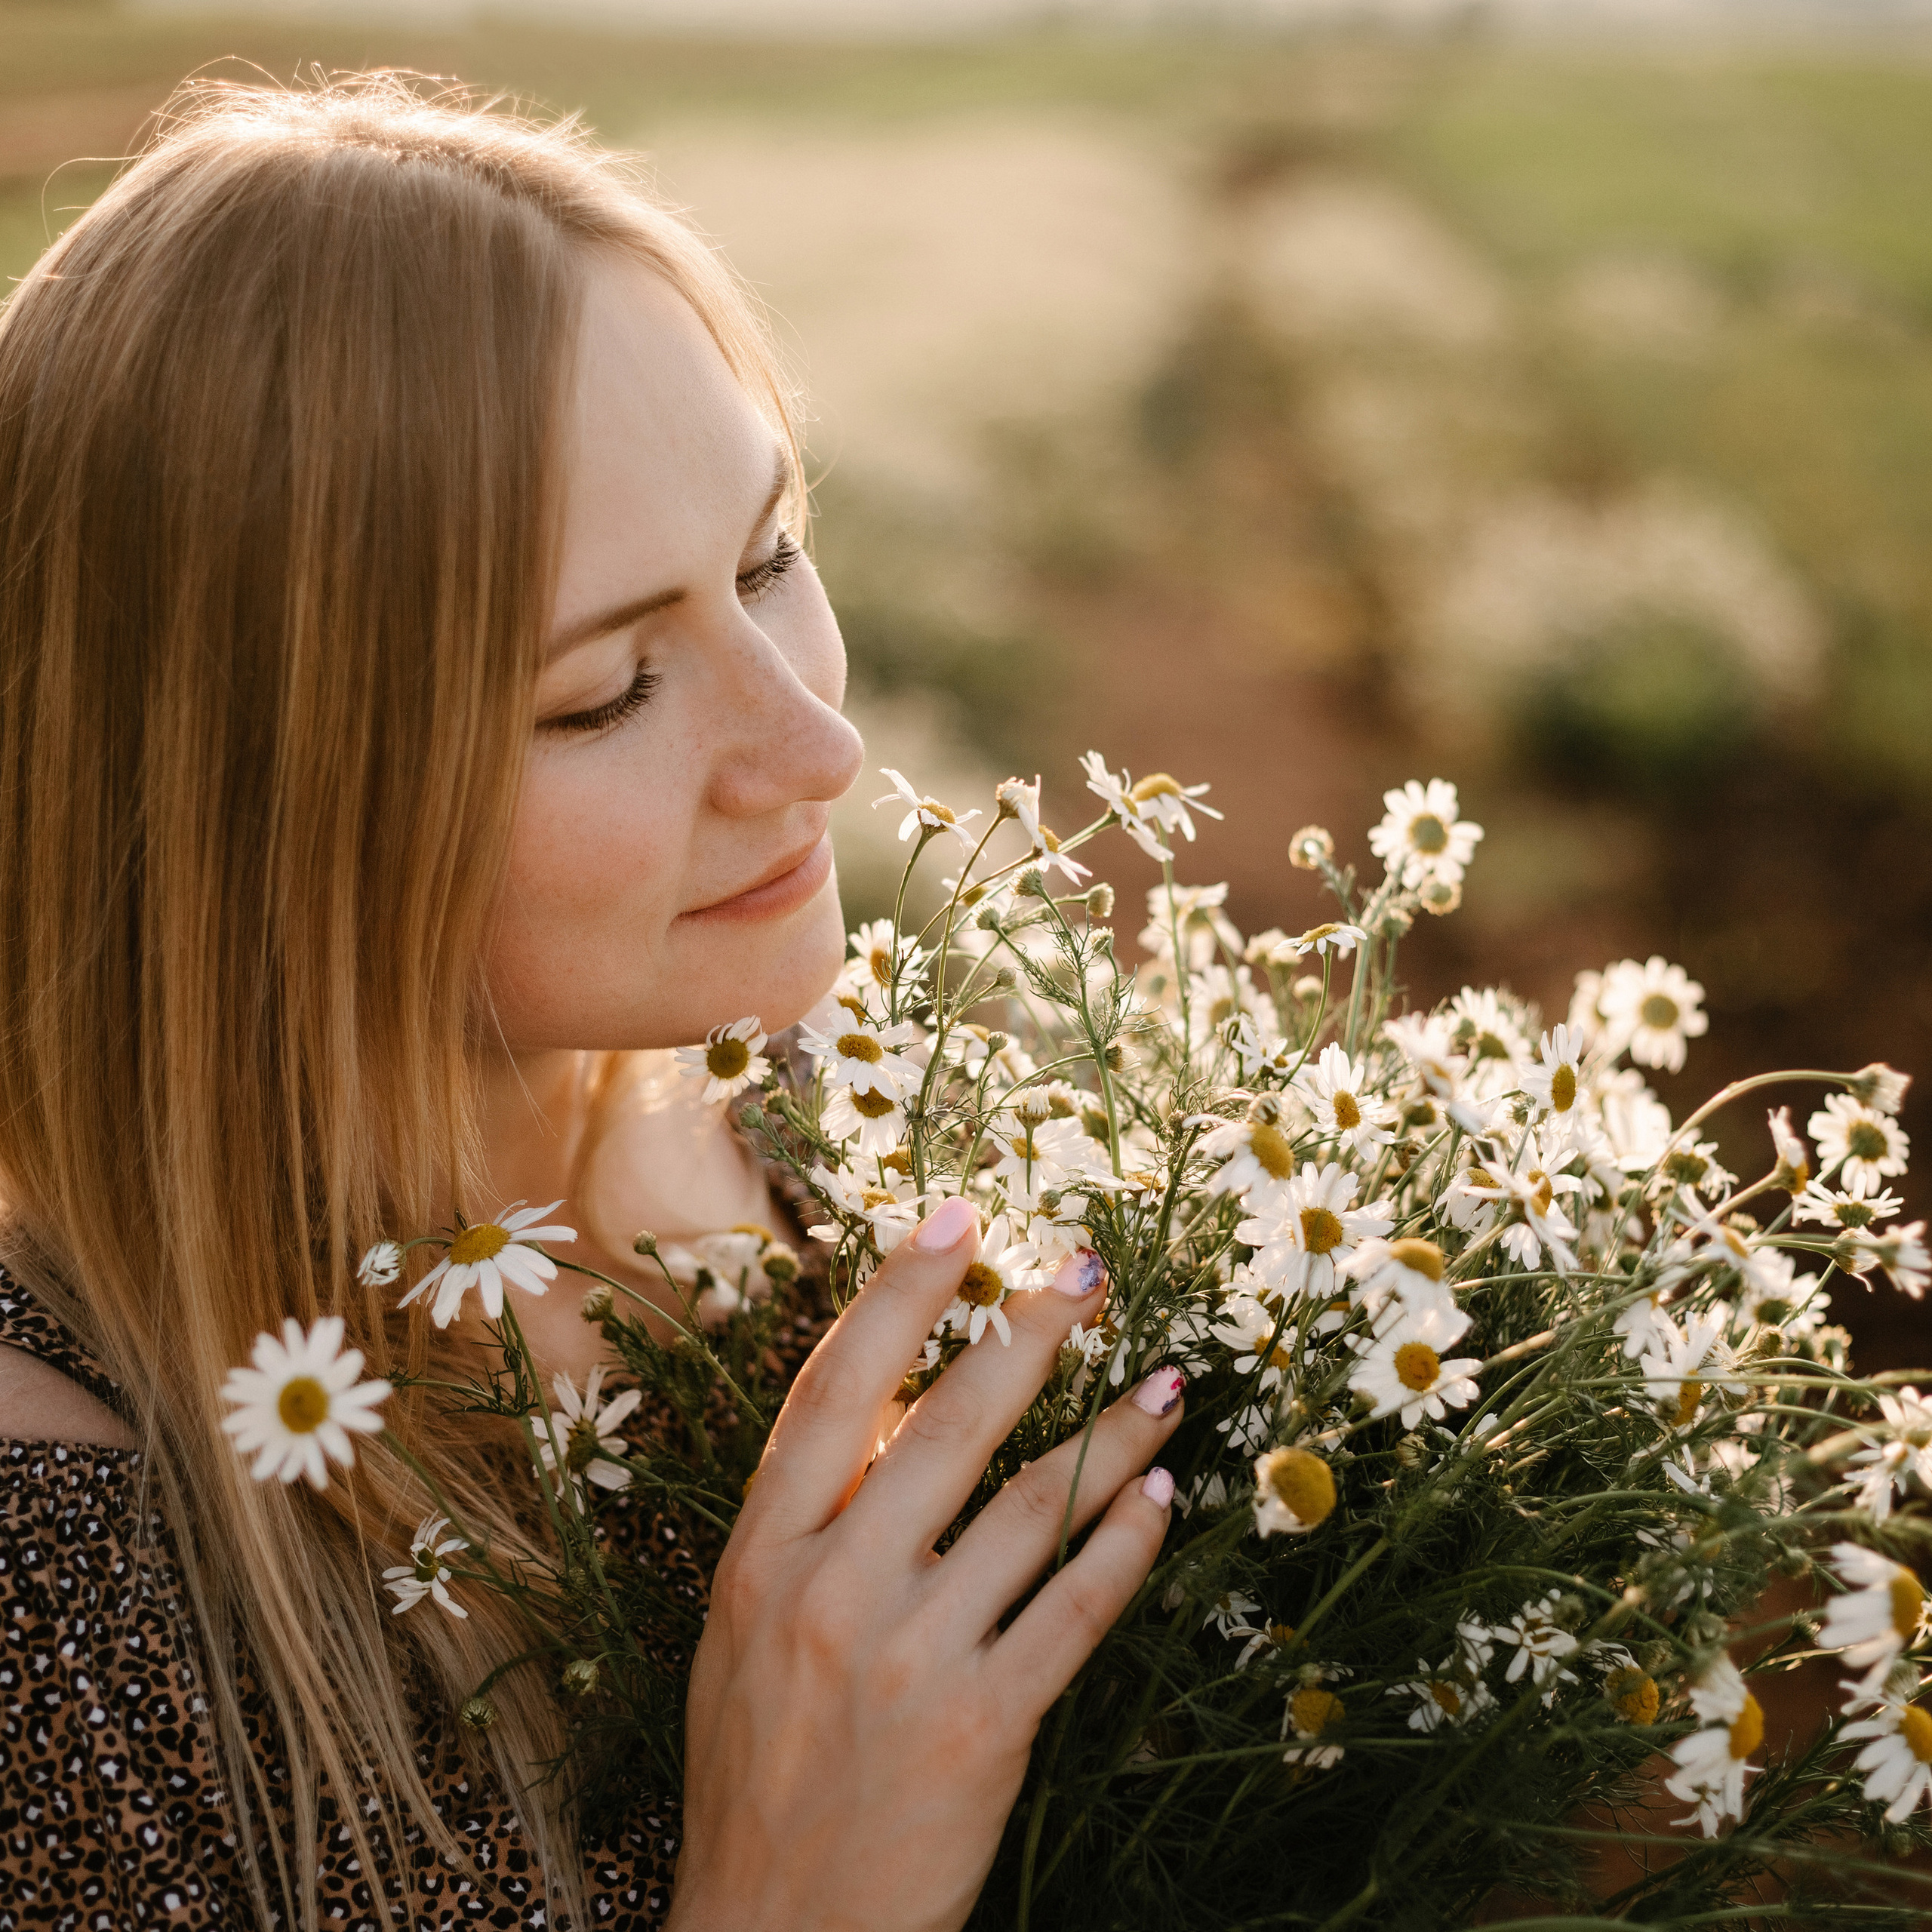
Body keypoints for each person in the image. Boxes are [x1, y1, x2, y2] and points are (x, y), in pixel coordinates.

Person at [0, 76, 1184, 1930]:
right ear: (254, 811)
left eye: (771, 559)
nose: (816, 743)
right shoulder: (64, 1590)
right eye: (602, 690)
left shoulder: (828, 1122)